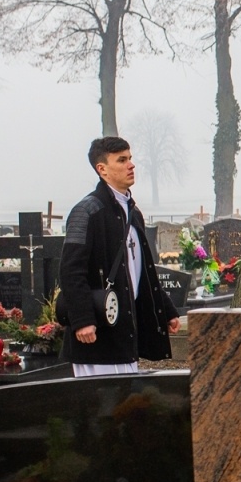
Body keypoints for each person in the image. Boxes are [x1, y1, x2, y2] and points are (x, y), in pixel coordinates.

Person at [59, 137, 180, 376]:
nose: (131, 165)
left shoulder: (133, 212)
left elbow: (142, 270)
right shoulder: (86, 211)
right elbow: (71, 271)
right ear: (101, 169)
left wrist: (165, 310)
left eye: (130, 159)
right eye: (122, 160)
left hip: (125, 331)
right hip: (95, 335)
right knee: (101, 407)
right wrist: (82, 320)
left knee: (124, 404)